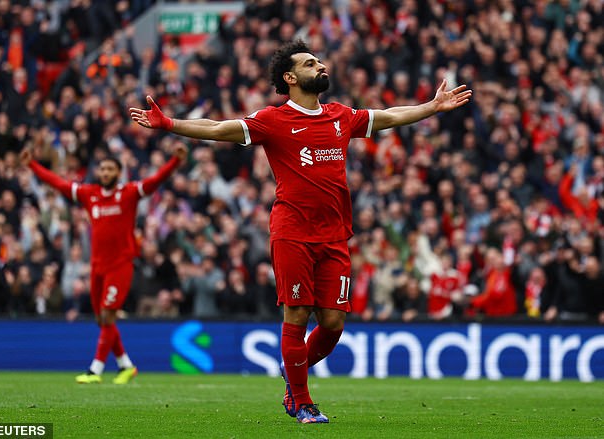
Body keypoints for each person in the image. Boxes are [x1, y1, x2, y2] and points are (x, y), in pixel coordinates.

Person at [129, 39, 472, 423]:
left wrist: (432, 106)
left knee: (333, 324)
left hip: (335, 235)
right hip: (292, 231)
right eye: (311, 63)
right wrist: (169, 124)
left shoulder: (341, 116)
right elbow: (219, 128)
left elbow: (389, 116)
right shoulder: (273, 120)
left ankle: (293, 371)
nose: (321, 65)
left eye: (320, 61)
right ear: (291, 78)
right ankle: (301, 401)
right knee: (297, 313)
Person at [19, 144, 187, 384]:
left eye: (110, 169)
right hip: (97, 267)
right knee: (102, 320)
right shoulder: (90, 195)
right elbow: (59, 184)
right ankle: (126, 366)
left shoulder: (129, 193)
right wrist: (32, 165)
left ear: (118, 173)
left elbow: (154, 181)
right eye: (102, 169)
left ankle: (95, 370)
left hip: (120, 265)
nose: (106, 172)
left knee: (108, 315)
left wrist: (174, 162)